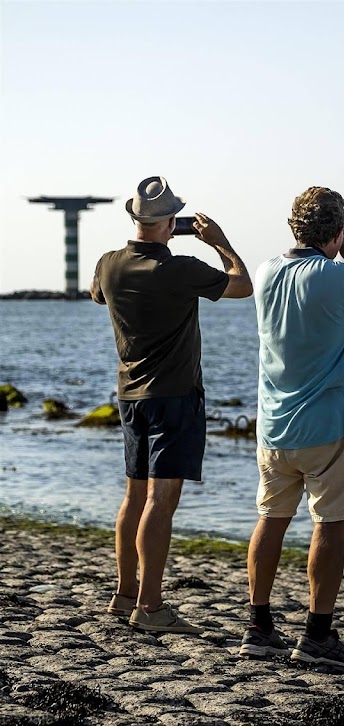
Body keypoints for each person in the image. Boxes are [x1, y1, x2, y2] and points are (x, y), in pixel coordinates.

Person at [240, 186, 344, 667]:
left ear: (293, 226)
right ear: (338, 231)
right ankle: (317, 635)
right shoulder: (337, 276)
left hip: (274, 424)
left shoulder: (266, 271)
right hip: (329, 425)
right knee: (330, 525)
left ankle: (259, 626)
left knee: (271, 519)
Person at [91, 176, 253, 634]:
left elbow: (95, 293)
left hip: (129, 396)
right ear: (169, 223)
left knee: (133, 497)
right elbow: (242, 286)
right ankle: (151, 605)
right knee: (161, 503)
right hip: (175, 397)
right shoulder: (181, 269)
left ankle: (124, 596)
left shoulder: (109, 264)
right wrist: (221, 244)